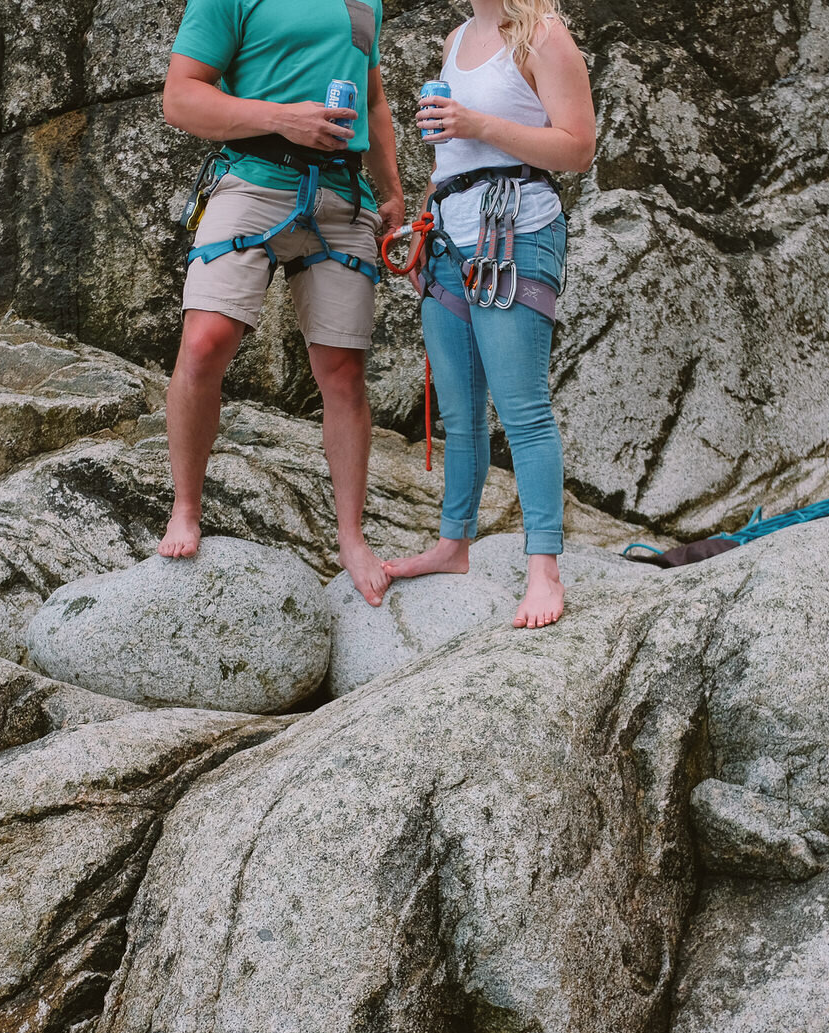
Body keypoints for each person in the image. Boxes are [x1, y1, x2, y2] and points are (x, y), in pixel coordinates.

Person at [159, 0, 406, 607]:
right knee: (204, 343)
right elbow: (180, 97)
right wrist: (282, 119)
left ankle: (351, 538)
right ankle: (185, 508)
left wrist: (393, 189)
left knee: (344, 373)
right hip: (252, 178)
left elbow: (372, 101)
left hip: (344, 194)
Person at [382, 0, 595, 628]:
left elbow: (577, 147)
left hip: (518, 231)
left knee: (523, 409)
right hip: (449, 234)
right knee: (459, 412)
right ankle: (453, 545)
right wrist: (425, 224)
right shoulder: (457, 37)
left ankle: (544, 570)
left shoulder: (543, 34)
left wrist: (476, 122)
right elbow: (450, 158)